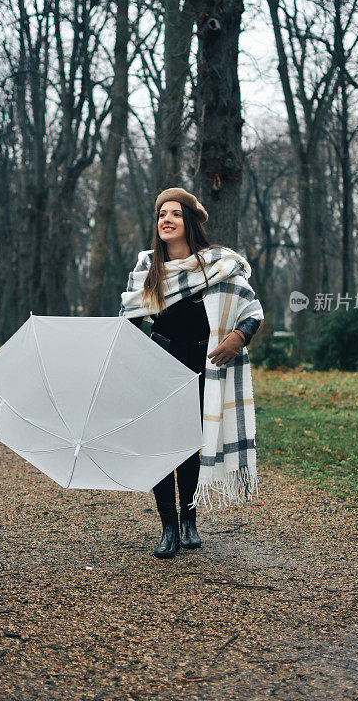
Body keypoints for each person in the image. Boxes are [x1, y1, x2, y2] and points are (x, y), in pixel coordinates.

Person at [119, 187, 264, 559]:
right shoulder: (146, 268)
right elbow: (130, 319)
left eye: (175, 214)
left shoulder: (216, 265)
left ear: (190, 223)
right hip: (157, 361)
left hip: (204, 362)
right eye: (162, 214)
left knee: (190, 446)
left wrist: (238, 337)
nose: (166, 219)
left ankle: (189, 520)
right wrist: (127, 363)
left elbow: (251, 310)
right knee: (160, 445)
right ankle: (167, 526)